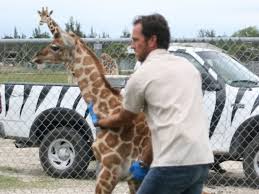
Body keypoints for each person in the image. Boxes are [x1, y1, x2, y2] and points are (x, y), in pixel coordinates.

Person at [93, 13, 214, 194]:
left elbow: (127, 117)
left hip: (172, 163)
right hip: (201, 160)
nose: (131, 45)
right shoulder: (189, 69)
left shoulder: (142, 75)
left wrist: (103, 122)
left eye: (135, 40)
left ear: (152, 41)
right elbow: (163, 127)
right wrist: (144, 162)